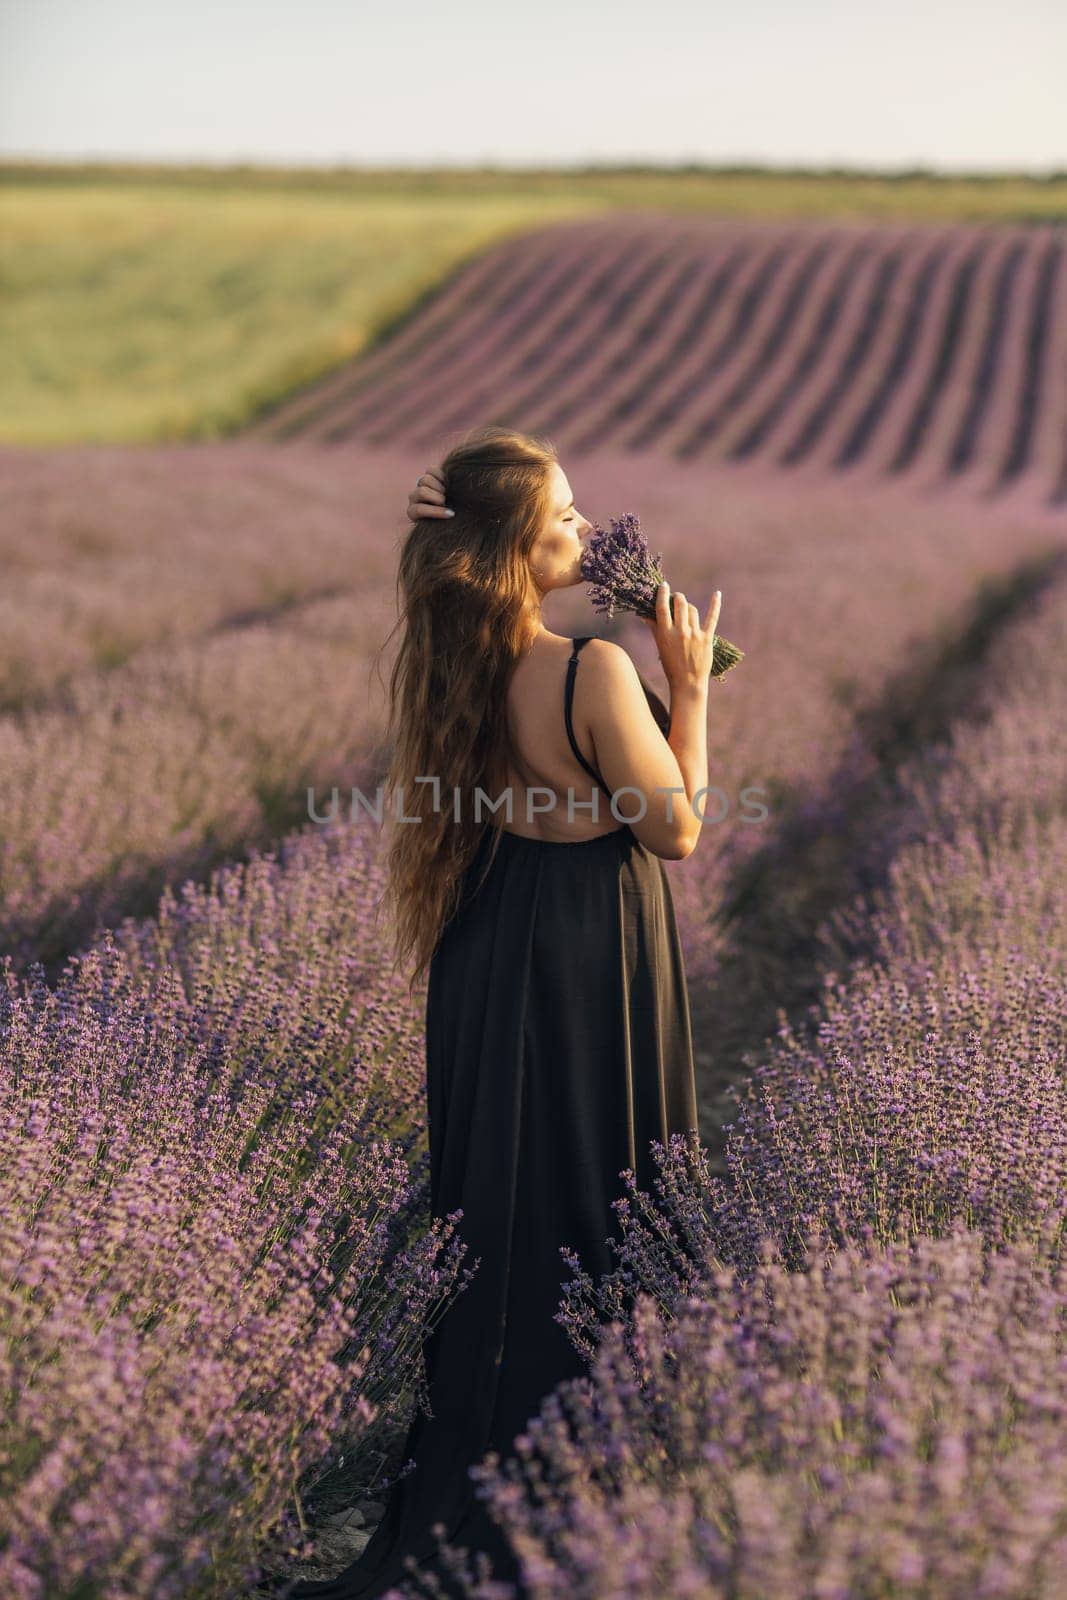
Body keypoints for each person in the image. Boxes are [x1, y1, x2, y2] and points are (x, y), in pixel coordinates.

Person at [287, 425, 721, 1599]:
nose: (587, 529)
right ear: (518, 550)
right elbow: (673, 829)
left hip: (490, 935)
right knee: (598, 1190)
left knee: (501, 1200)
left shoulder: (457, 665)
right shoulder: (585, 670)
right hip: (587, 941)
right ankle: (586, 1484)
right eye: (565, 516)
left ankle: (478, 1470)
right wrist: (685, 687)